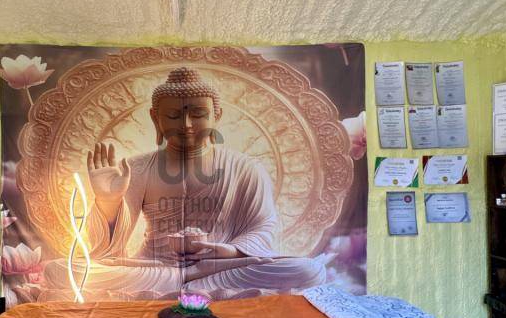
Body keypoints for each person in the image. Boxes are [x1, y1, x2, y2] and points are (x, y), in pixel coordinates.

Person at [41, 67, 330, 299]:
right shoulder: (137, 168)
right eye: (173, 115)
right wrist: (108, 200)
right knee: (61, 270)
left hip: (220, 267)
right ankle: (188, 284)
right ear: (156, 119)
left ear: (217, 115)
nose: (186, 124)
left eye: (198, 114)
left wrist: (223, 251)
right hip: (155, 268)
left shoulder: (245, 168)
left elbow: (262, 228)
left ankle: (187, 283)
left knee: (307, 270)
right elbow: (108, 248)